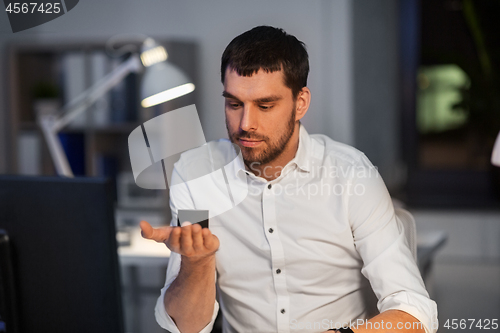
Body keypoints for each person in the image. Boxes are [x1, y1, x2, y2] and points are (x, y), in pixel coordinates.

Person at [140, 26, 438, 333]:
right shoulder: (196, 175)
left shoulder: (351, 175)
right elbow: (186, 327)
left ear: (300, 103)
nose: (246, 124)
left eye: (265, 106)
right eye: (234, 104)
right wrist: (197, 264)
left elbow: (414, 309)